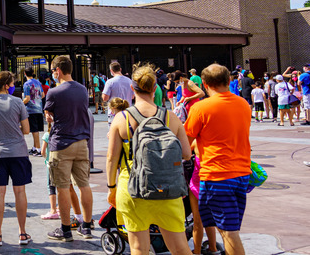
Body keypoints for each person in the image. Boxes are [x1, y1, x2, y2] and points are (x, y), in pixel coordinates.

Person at [106, 65, 192, 255]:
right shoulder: (171, 117)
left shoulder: (122, 119)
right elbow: (186, 154)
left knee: (138, 247)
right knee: (179, 247)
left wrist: (111, 187)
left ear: (132, 89)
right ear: (155, 88)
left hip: (133, 188)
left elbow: (112, 158)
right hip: (168, 189)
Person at [185, 64, 251, 255]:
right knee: (228, 229)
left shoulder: (200, 108)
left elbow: (185, 145)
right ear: (229, 81)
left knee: (228, 233)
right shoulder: (242, 104)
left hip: (217, 175)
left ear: (204, 84)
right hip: (241, 174)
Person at [44, 55, 94, 242]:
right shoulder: (82, 89)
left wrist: (50, 119)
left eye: (53, 71)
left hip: (61, 143)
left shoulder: (54, 92)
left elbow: (49, 115)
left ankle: (65, 229)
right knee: (84, 184)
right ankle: (87, 226)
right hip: (82, 142)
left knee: (62, 187)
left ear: (58, 70)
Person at [0, 71, 31, 246]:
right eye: (13, 83)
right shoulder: (18, 102)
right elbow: (26, 129)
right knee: (20, 192)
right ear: (7, 85)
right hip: (18, 152)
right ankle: (22, 233)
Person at [22, 67, 45, 157]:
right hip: (39, 108)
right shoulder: (38, 82)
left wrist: (21, 103)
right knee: (35, 130)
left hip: (31, 109)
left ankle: (38, 149)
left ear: (25, 74)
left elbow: (27, 98)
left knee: (34, 130)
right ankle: (35, 147)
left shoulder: (26, 84)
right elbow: (42, 95)